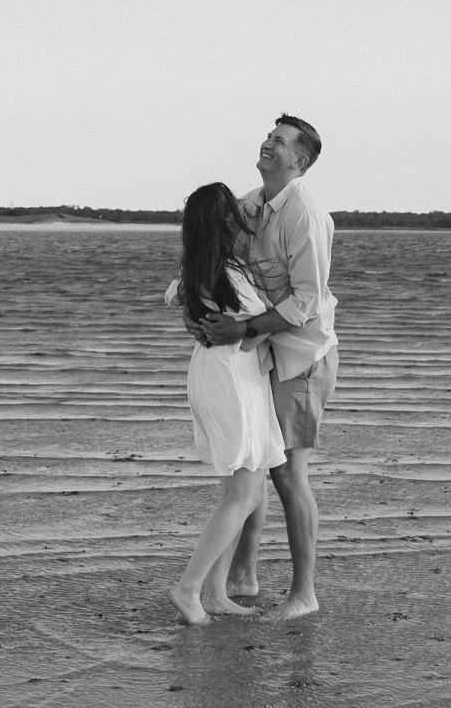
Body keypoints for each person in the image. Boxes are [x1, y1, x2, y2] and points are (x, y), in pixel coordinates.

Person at [198, 113, 337, 620]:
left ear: (300, 160)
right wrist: (191, 301)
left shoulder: (305, 213)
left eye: (278, 141)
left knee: (288, 473)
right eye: (267, 137)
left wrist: (243, 330)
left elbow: (308, 301)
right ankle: (242, 577)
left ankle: (304, 595)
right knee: (252, 462)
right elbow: (217, 259)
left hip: (301, 357)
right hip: (260, 354)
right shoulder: (249, 205)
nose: (267, 144)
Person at [165, 182, 286, 626]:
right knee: (244, 492)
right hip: (232, 375)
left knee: (239, 489)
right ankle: (188, 588)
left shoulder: (200, 267)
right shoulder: (228, 273)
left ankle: (215, 592)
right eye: (234, 213)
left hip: (220, 370)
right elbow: (272, 318)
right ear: (224, 222)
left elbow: (173, 294)